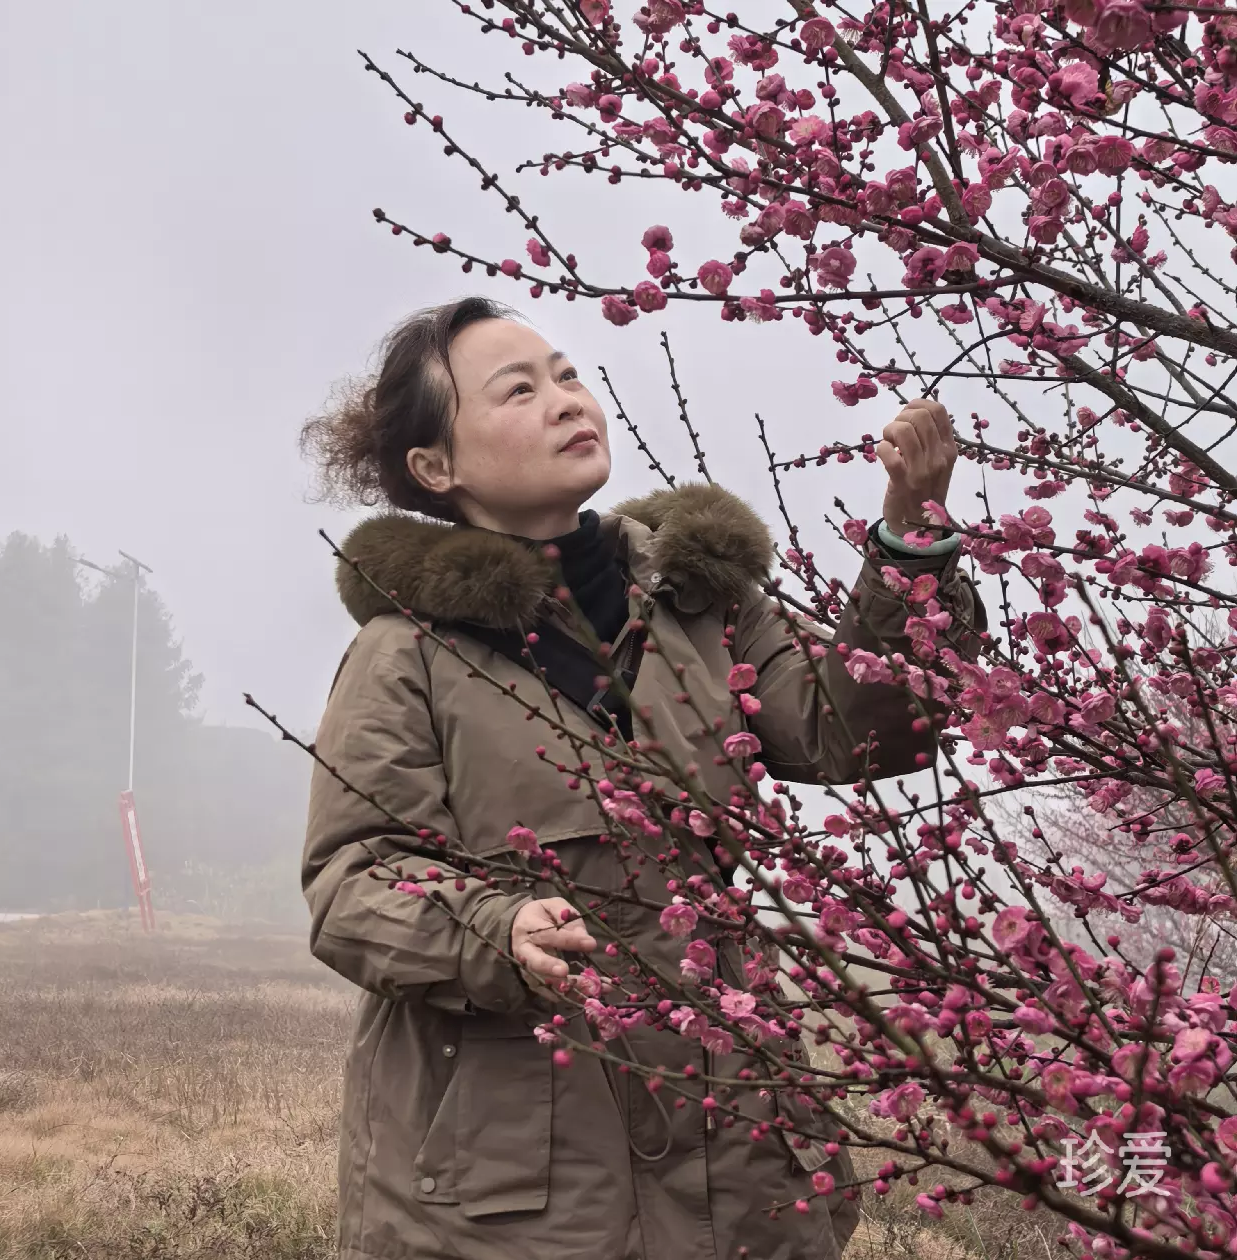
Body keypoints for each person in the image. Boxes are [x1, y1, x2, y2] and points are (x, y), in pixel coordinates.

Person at [300, 296, 984, 1260]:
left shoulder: (701, 603)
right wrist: (496, 930)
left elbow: (854, 735)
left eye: (568, 374)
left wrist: (912, 546)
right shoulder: (405, 652)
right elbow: (353, 882)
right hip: (516, 1165)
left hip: (731, 1123)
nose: (564, 400)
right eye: (520, 390)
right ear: (435, 467)